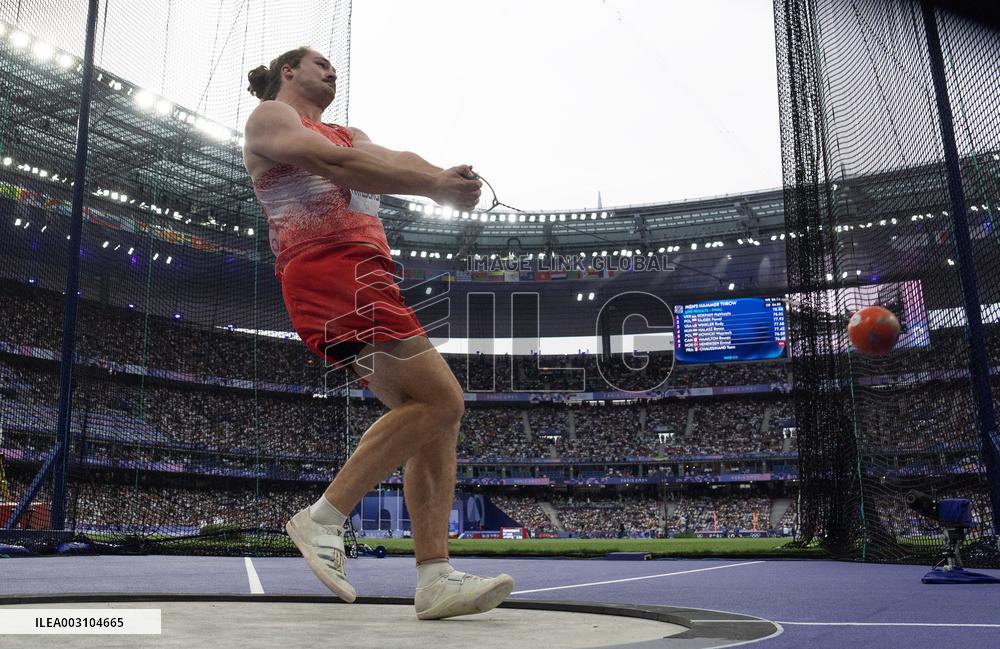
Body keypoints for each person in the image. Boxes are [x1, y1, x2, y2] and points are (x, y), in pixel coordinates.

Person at [243, 46, 514, 619]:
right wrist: (431, 187)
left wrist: (436, 174)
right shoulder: (271, 118)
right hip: (327, 268)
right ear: (288, 72)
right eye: (318, 63)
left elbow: (389, 156)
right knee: (443, 400)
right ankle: (322, 518)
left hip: (366, 274)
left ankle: (435, 578)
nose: (331, 70)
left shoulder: (349, 129)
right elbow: (336, 167)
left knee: (435, 421)